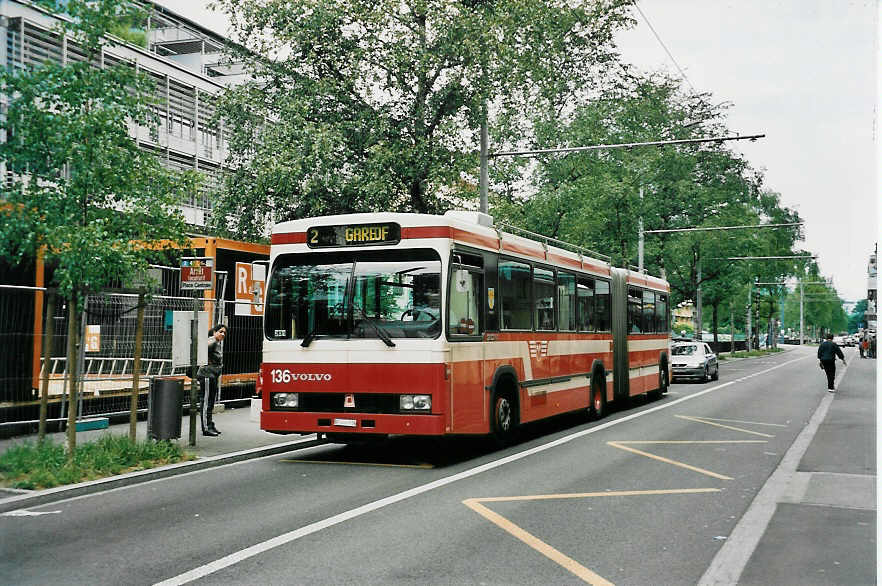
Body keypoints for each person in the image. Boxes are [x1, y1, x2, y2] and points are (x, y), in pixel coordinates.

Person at [197, 324, 227, 436]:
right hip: (207, 375)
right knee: (206, 402)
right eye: (220, 331)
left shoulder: (217, 343)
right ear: (214, 332)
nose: (223, 334)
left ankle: (209, 424)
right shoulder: (212, 341)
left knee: (210, 402)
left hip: (212, 375)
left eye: (224, 332)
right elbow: (202, 349)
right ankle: (206, 427)